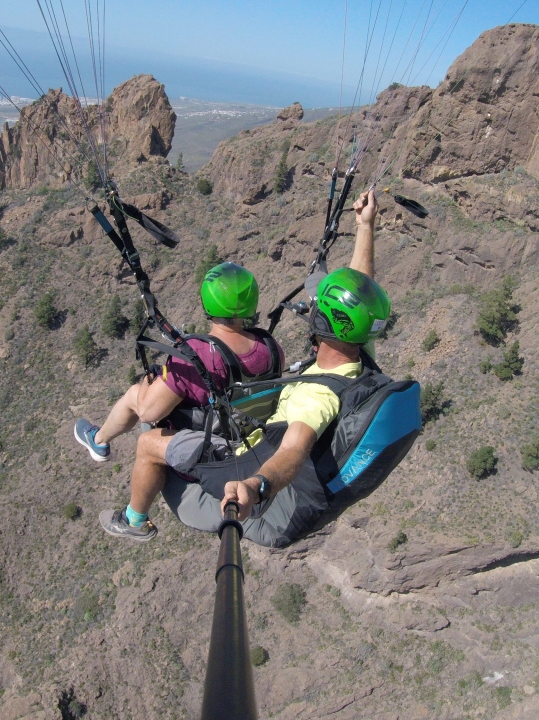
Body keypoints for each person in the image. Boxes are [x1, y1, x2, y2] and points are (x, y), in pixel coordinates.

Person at [99, 190, 388, 545]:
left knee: (147, 442)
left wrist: (257, 485)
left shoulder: (315, 398)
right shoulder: (359, 352)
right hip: (256, 437)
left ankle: (135, 522)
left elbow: (293, 450)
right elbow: (362, 290)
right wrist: (365, 226)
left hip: (246, 464)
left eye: (315, 307)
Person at [74, 260, 283, 474]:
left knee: (136, 395)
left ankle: (99, 440)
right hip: (254, 438)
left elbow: (148, 413)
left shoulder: (197, 354)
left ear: (208, 302)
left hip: (214, 449)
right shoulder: (270, 346)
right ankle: (99, 440)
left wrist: (148, 381)